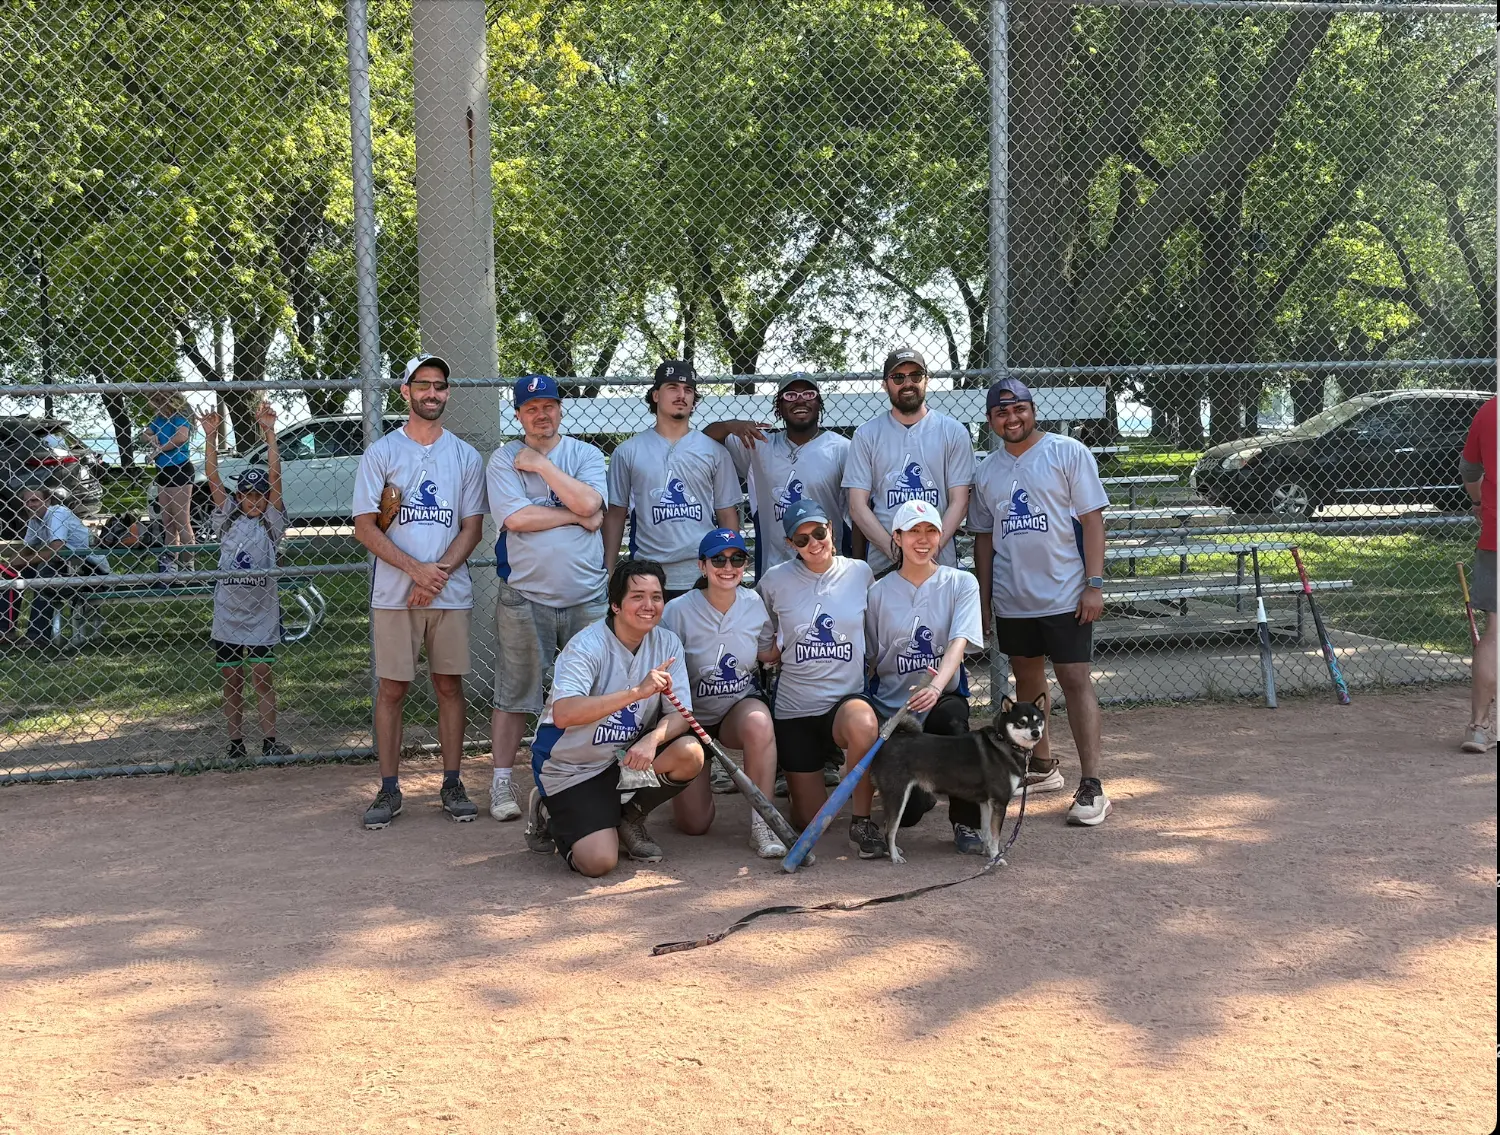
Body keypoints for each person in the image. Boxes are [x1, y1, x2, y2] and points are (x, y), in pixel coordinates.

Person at [352, 354, 487, 829]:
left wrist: (437, 575)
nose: (432, 393)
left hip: (448, 593)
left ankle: (451, 781)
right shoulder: (382, 453)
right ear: (405, 391)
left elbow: (473, 527)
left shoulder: (464, 456)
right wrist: (415, 572)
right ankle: (389, 788)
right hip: (394, 593)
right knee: (392, 688)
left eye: (440, 385)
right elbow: (365, 528)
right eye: (423, 385)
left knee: (449, 684)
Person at [969, 377, 1112, 826]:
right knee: (1027, 681)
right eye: (1001, 413)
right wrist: (985, 599)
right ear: (991, 420)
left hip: (1066, 593)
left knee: (1074, 680)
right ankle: (1043, 766)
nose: (1012, 418)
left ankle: (1092, 785)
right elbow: (985, 541)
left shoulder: (1067, 452)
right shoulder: (987, 470)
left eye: (1019, 409)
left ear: (1033, 410)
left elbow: (1092, 522)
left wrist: (1094, 584)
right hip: (1015, 598)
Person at [524, 559, 703, 876]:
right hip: (571, 768)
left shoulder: (666, 642)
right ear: (615, 605)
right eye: (637, 596)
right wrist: (637, 692)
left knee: (689, 752)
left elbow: (680, 715)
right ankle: (551, 810)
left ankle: (627, 818)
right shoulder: (587, 646)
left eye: (656, 596)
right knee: (598, 863)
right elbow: (564, 714)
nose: (649, 605)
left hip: (620, 760)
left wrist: (653, 740)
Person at [486, 374, 609, 822]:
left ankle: (596, 777)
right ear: (518, 415)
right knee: (515, 693)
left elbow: (592, 499)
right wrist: (577, 517)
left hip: (587, 597)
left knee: (597, 694)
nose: (542, 414)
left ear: (560, 409)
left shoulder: (586, 454)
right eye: (531, 407)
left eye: (549, 405)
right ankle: (501, 782)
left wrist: (540, 466)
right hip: (526, 595)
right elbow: (516, 519)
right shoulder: (502, 460)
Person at [756, 498, 884, 856]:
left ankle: (862, 820)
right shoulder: (774, 581)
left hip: (844, 701)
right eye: (801, 540)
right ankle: (813, 772)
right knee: (810, 819)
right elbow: (765, 642)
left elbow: (873, 635)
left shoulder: (859, 572)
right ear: (789, 545)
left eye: (818, 532)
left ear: (830, 527)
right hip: (797, 709)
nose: (813, 543)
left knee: (862, 722)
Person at [864, 499, 987, 853]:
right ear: (897, 538)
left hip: (938, 699)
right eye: (913, 531)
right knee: (909, 812)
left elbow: (957, 645)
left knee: (953, 722)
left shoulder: (961, 583)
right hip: (893, 710)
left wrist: (935, 686)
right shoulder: (877, 592)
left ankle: (965, 823)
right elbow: (871, 658)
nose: (923, 539)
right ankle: (924, 796)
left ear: (941, 536)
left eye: (931, 530)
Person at [661, 529, 784, 857]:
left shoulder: (754, 603)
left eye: (737, 558)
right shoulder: (677, 611)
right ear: (702, 566)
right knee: (696, 825)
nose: (728, 566)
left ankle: (762, 822)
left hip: (734, 712)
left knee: (759, 721)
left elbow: (767, 653)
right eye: (718, 559)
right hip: (689, 720)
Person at [603, 360, 741, 600]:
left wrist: (730, 566)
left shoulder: (714, 451)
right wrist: (608, 570)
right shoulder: (628, 451)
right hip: (649, 574)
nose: (681, 395)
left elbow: (726, 512)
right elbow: (616, 513)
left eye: (688, 390)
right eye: (672, 387)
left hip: (702, 572)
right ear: (656, 395)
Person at [201, 402, 293, 761]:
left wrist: (270, 433)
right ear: (238, 497)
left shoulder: (271, 524)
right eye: (246, 495)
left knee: (261, 675)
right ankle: (235, 743)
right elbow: (212, 479)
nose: (252, 500)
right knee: (232, 680)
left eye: (259, 494)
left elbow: (277, 477)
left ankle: (269, 741)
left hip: (261, 615)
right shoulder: (227, 519)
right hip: (228, 614)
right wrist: (211, 438)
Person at [703, 374, 854, 575]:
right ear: (779, 407)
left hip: (826, 567)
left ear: (819, 403)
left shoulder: (841, 448)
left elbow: (856, 510)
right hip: (774, 570)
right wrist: (731, 425)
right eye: (790, 396)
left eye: (808, 394)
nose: (800, 399)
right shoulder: (758, 445)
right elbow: (705, 439)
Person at [844, 346, 973, 576]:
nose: (908, 383)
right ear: (885, 384)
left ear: (927, 380)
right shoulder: (867, 434)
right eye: (898, 377)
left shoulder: (953, 432)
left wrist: (929, 549)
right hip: (885, 562)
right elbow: (857, 505)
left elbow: (959, 501)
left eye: (916, 376)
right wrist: (895, 551)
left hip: (939, 561)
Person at [5, 488, 109, 647]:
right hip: (63, 565)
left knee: (43, 571)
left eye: (35, 501)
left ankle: (37, 636)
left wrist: (23, 561)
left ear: (47, 501)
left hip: (89, 568)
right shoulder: (35, 520)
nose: (30, 505)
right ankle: (5, 630)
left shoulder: (57, 514)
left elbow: (55, 549)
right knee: (11, 573)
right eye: (26, 502)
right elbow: (26, 549)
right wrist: (9, 565)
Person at [1460, 394, 1496, 753]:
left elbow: (1470, 469)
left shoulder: (1490, 409)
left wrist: (1476, 501)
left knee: (1495, 633)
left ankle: (1479, 728)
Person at [142, 390, 197, 571]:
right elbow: (145, 433)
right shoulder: (159, 420)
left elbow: (181, 437)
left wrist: (159, 450)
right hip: (163, 471)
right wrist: (151, 438)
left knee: (182, 520)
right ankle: (170, 562)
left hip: (179, 469)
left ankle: (188, 564)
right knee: (168, 522)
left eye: (157, 403)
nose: (155, 407)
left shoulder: (179, 417)